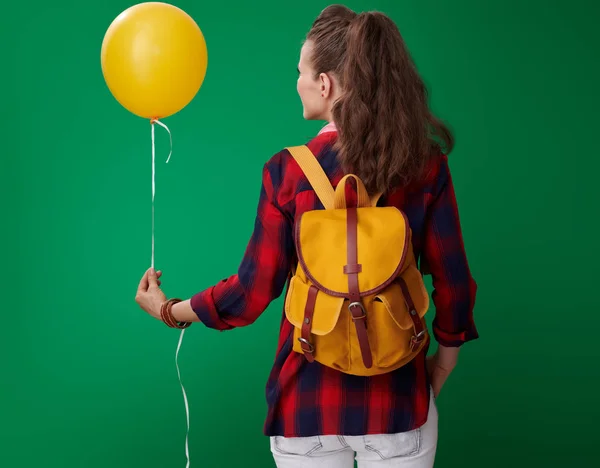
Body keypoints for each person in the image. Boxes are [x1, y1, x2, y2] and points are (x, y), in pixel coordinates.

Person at [135, 4, 478, 467]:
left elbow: (251, 292)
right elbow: (454, 282)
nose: (296, 81)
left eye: (300, 70)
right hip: (399, 400)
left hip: (306, 404)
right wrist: (443, 362)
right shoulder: (425, 164)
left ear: (326, 83)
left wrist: (170, 310)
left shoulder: (288, 170)